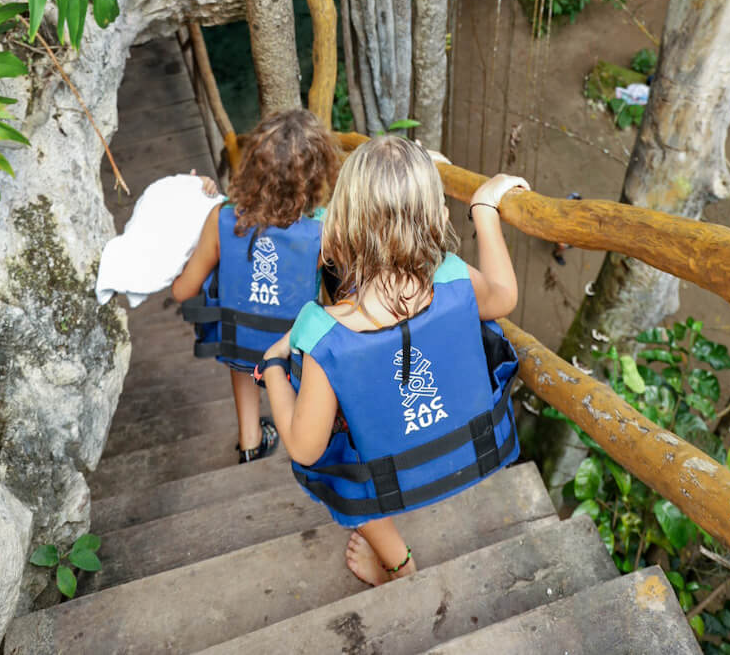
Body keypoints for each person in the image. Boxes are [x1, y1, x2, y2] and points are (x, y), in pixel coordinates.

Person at [257, 136, 528, 586]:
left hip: (384, 474)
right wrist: (484, 210)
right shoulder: (454, 276)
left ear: (340, 227)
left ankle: (399, 565)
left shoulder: (323, 333)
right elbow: (505, 297)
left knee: (329, 451)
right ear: (437, 219)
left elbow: (304, 449)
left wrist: (272, 366)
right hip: (470, 448)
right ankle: (396, 567)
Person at [172, 109, 339, 463]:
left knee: (243, 340)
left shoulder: (222, 218)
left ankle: (250, 440)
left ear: (253, 166)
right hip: (291, 348)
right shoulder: (323, 229)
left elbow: (182, 292)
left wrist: (189, 206)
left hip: (236, 340)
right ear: (316, 177)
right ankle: (303, 430)